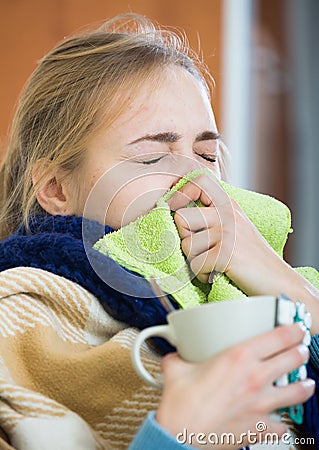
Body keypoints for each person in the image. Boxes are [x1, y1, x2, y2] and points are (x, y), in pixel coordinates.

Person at [0, 12, 318, 450]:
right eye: (151, 160)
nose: (197, 182)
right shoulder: (16, 321)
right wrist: (174, 438)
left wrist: (289, 288)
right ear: (55, 189)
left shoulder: (255, 299)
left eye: (207, 155)